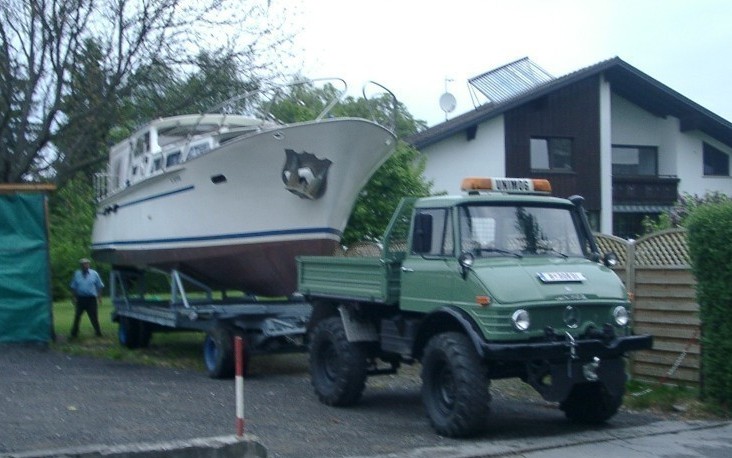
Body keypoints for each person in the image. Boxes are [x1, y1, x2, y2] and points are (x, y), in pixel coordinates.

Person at [69, 258, 104, 338]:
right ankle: (74, 333)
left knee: (94, 316)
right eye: (83, 264)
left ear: (89, 265)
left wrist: (99, 297)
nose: (85, 266)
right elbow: (73, 286)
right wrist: (73, 297)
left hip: (91, 298)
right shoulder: (77, 274)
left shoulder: (94, 274)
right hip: (80, 298)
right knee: (77, 316)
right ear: (81, 266)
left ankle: (98, 332)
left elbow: (100, 286)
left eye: (87, 264)